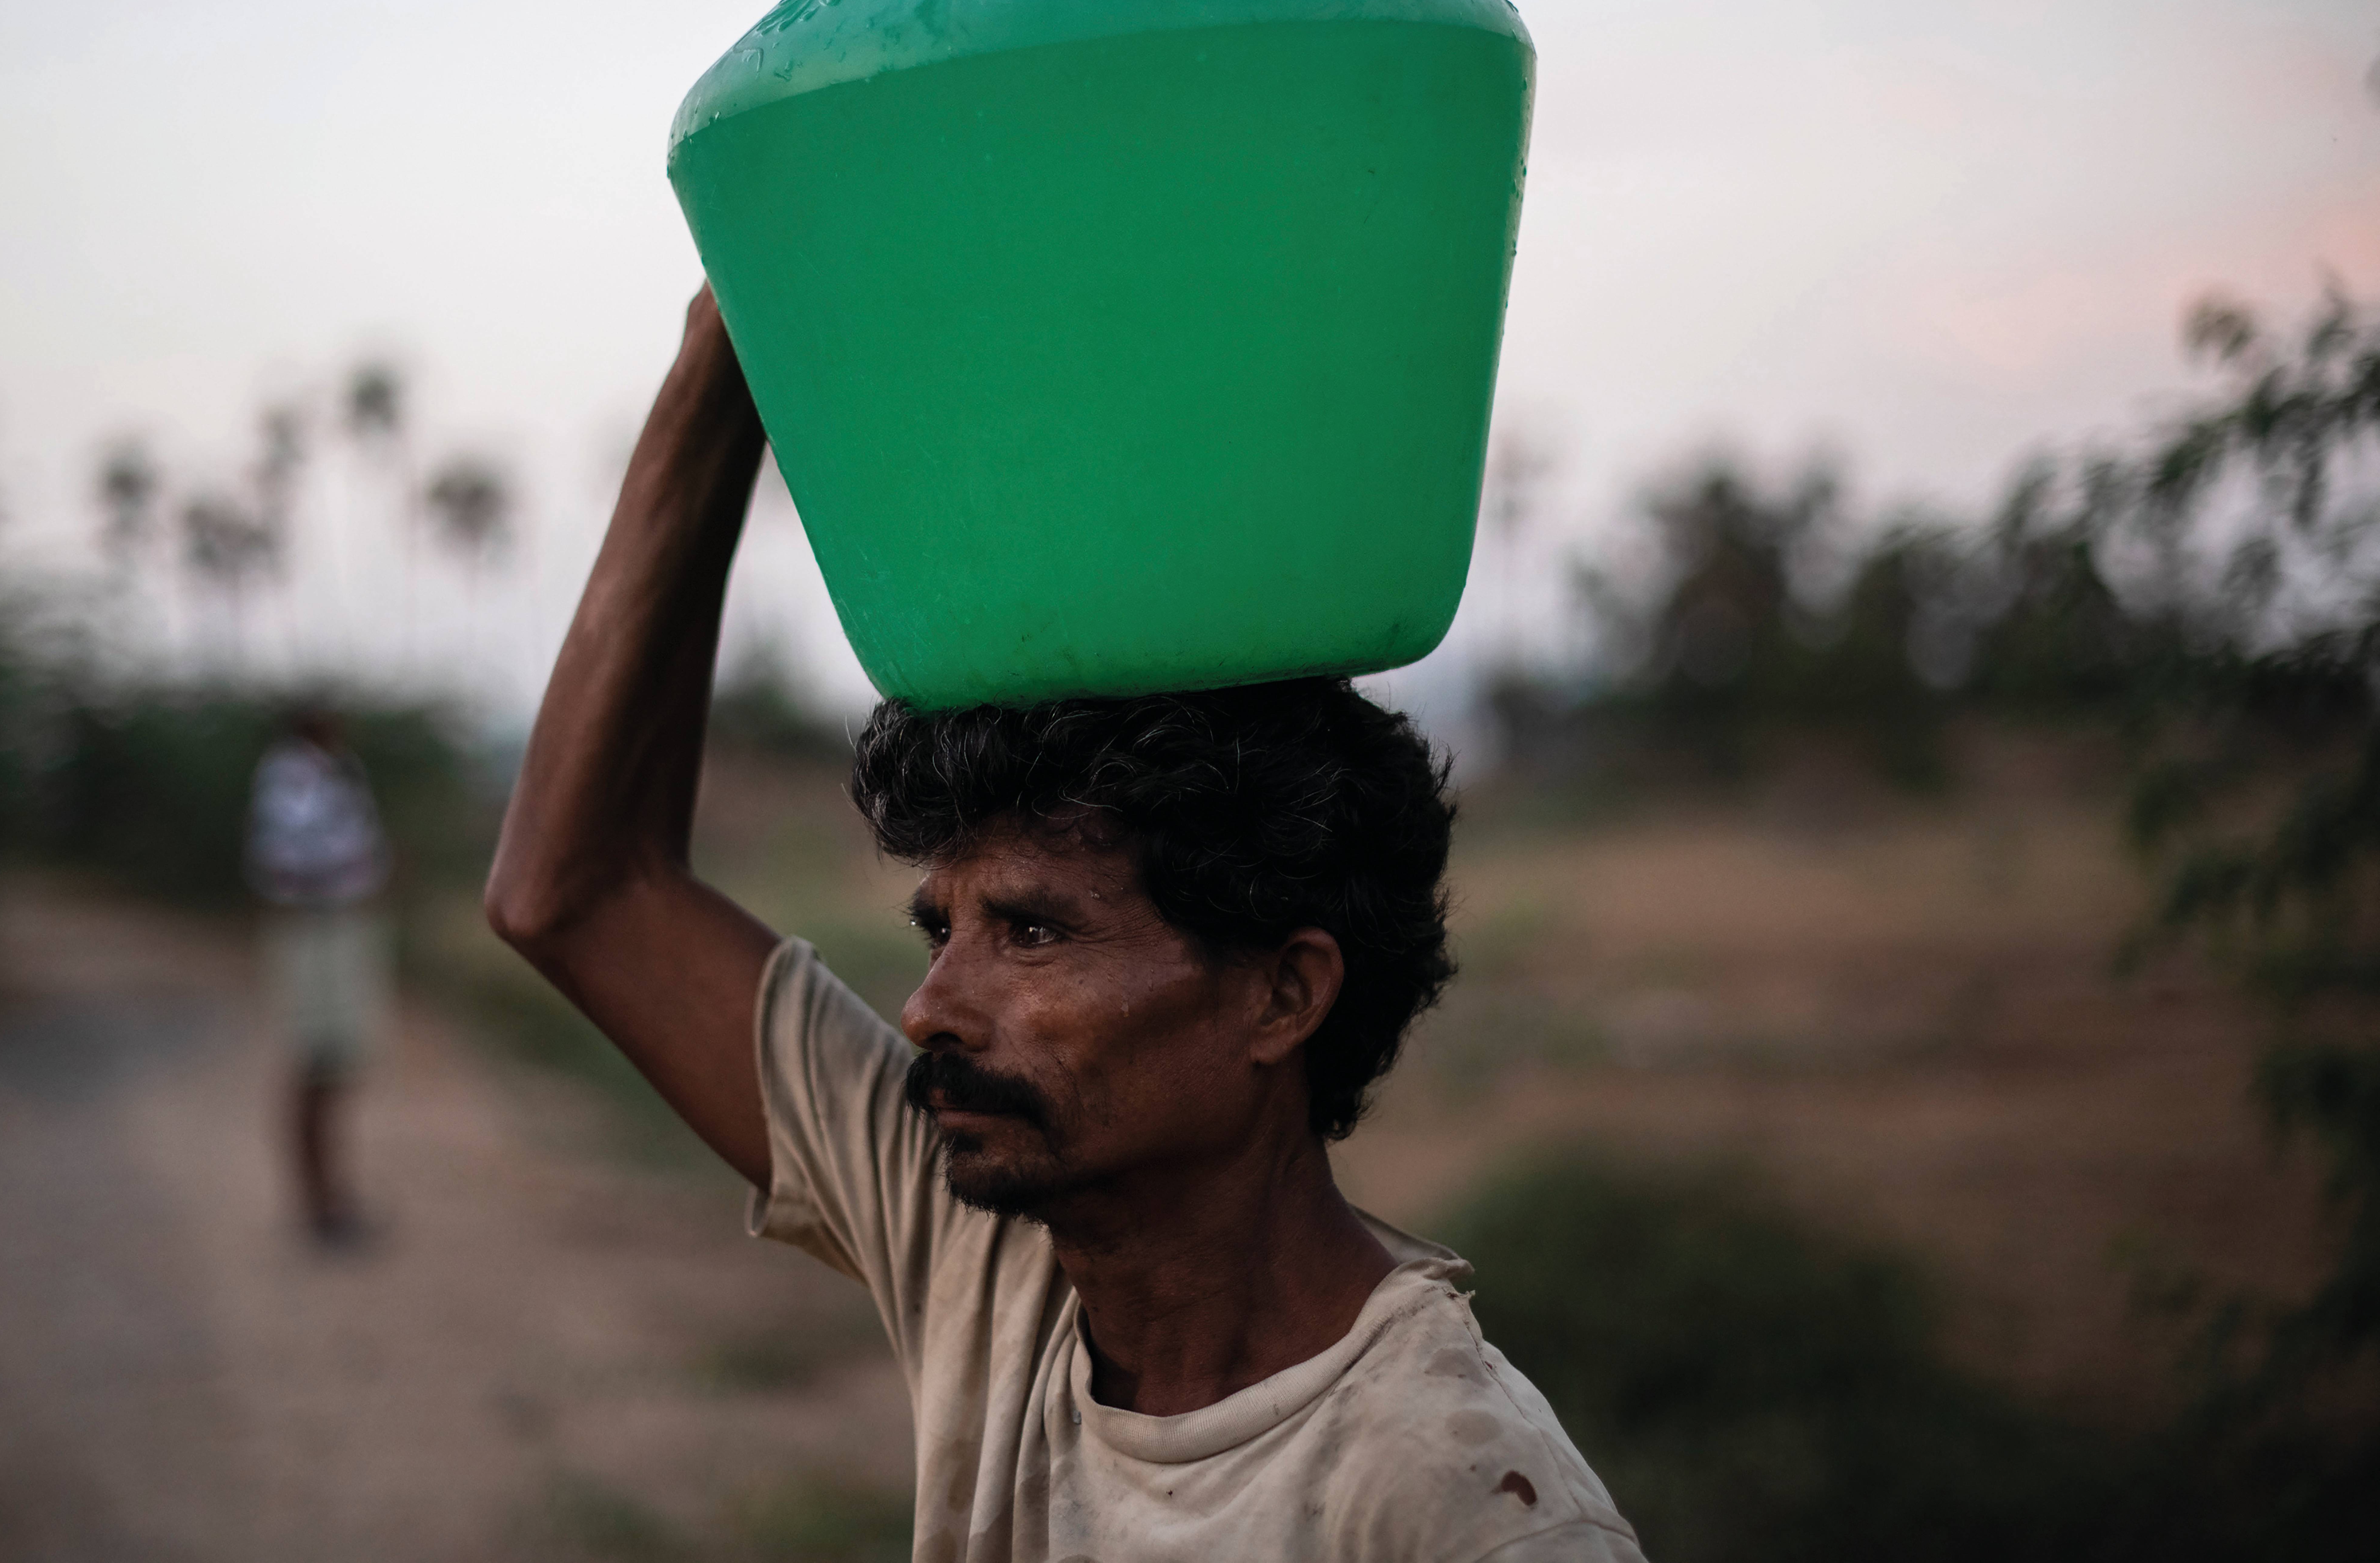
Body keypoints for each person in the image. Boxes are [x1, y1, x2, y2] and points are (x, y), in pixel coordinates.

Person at [487, 287, 1644, 1561]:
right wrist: (725, 350)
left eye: (1032, 934)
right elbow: (576, 894)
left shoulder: (1462, 1502)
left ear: (1282, 994)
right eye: (940, 931)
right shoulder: (992, 1249)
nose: (928, 1007)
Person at [247, 702, 392, 1247]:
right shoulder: (295, 777)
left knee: (333, 1065)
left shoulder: (327, 771)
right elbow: (295, 858)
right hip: (317, 929)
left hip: (329, 928)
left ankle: (330, 1198)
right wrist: (356, 877)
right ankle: (320, 1204)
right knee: (317, 1064)